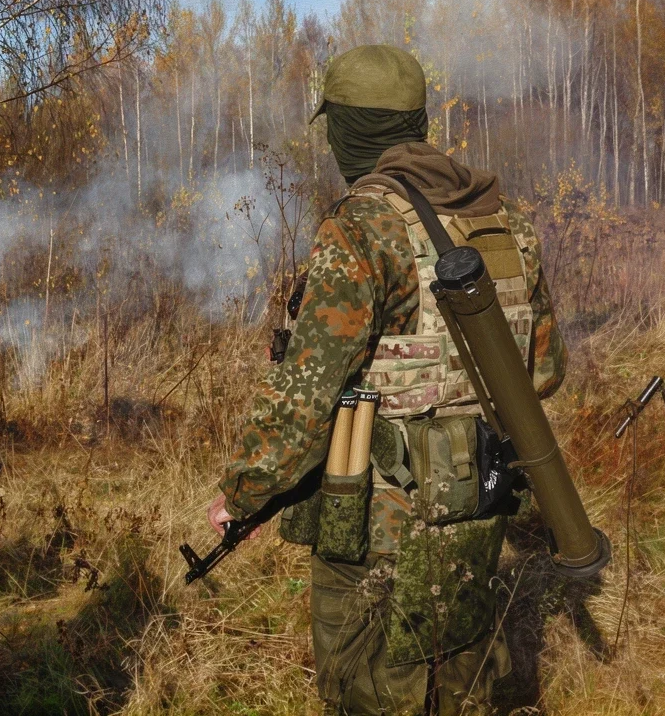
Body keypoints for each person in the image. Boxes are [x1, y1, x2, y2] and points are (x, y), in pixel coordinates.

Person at [208, 45, 567, 715]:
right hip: (478, 499)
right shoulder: (504, 222)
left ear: (346, 130)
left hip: (380, 520)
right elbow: (543, 371)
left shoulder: (363, 227)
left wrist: (246, 494)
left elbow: (305, 395)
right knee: (467, 687)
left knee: (370, 691)